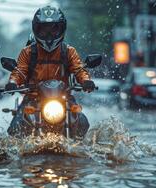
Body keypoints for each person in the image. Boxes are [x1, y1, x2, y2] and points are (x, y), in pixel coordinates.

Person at [5, 6, 96, 137]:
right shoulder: (28, 52)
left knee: (82, 123)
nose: (49, 35)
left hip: (63, 97)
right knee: (15, 128)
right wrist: (13, 82)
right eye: (44, 30)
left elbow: (79, 69)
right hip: (33, 97)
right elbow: (20, 71)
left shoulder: (69, 51)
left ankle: (81, 147)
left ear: (61, 29)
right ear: (36, 29)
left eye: (53, 29)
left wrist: (86, 81)